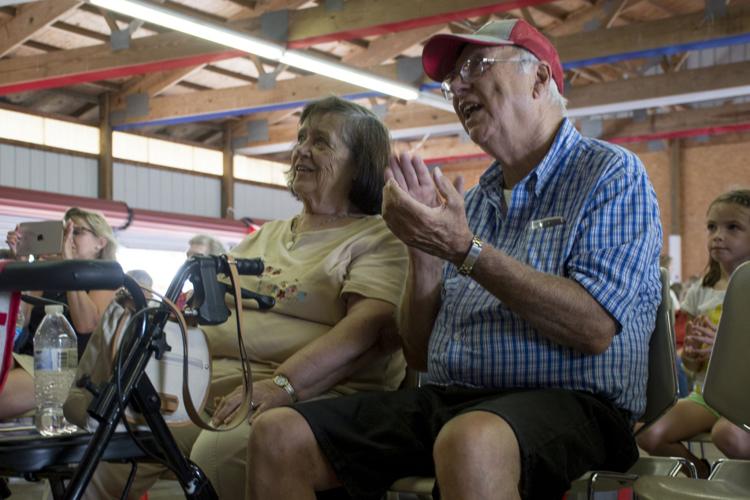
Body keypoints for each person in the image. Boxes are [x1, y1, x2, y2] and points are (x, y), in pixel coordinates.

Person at [247, 19, 662, 500]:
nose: (458, 87)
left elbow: (593, 327)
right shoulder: (477, 198)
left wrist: (465, 250)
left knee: (470, 441)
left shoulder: (609, 173)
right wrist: (423, 251)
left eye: (477, 67)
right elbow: (421, 353)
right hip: (454, 400)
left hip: (578, 404)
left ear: (540, 79)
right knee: (280, 435)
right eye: (451, 83)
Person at [72, 96, 408, 500]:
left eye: (321, 142)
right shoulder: (267, 236)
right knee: (98, 453)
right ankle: (91, 397)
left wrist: (284, 383)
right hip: (212, 391)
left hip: (317, 395)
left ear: (360, 164)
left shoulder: (379, 237)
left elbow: (368, 331)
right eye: (301, 138)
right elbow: (202, 306)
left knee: (220, 452)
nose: (301, 149)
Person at [637, 189, 750, 477]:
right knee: (648, 432)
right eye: (712, 227)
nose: (717, 235)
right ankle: (702, 477)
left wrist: (723, 353)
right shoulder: (700, 290)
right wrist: (689, 356)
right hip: (707, 395)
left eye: (732, 227)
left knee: (729, 435)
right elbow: (691, 364)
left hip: (744, 397)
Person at [0, 207, 117, 420]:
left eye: (77, 232)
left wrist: (69, 264)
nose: (69, 237)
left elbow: (86, 325)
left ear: (100, 243)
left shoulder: (105, 278)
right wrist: (22, 263)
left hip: (64, 367)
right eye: (65, 232)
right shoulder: (49, 273)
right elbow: (22, 320)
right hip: (29, 357)